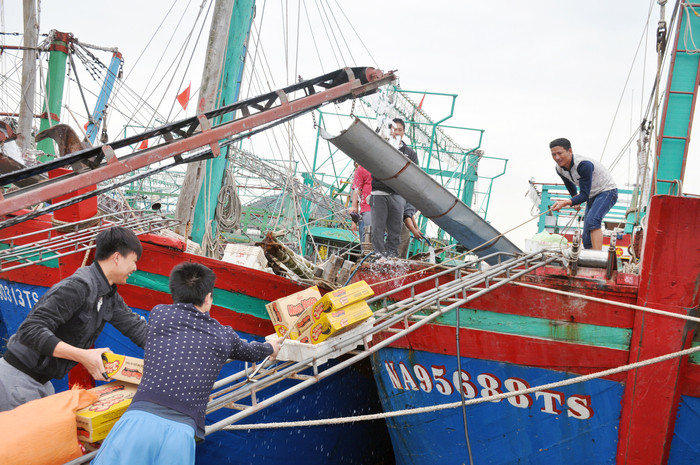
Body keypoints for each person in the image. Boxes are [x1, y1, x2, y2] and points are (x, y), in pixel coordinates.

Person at [92, 262, 281, 465]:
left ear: (174, 292)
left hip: (138, 420)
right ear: (208, 298)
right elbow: (250, 351)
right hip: (179, 433)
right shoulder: (223, 335)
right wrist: (271, 347)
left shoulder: (159, 315)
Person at [0, 226, 148, 412]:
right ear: (117, 257)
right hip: (17, 381)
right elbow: (30, 330)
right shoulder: (78, 286)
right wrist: (84, 356)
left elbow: (139, 330)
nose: (135, 268)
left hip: (43, 383)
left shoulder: (109, 297)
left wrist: (177, 355)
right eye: (134, 261)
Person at [550, 137, 618, 250]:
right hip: (592, 195)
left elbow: (584, 195)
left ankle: (597, 257)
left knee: (593, 221)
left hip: (607, 191)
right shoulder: (559, 168)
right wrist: (574, 198)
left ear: (570, 151)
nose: (557, 157)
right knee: (586, 235)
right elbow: (569, 183)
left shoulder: (583, 165)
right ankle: (588, 258)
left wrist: (567, 202)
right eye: (553, 154)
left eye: (559, 153)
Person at [370, 118, 418, 258]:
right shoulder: (381, 148)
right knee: (377, 228)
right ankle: (379, 254)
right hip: (379, 192)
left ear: (404, 132)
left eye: (399, 130)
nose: (396, 132)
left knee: (395, 229)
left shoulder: (410, 153)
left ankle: (391, 256)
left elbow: (414, 175)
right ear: (389, 130)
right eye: (394, 129)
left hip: (398, 194)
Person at [349, 162, 372, 243]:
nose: (357, 168)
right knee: (367, 237)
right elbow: (354, 204)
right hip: (366, 211)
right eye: (356, 166)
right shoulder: (361, 172)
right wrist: (354, 222)